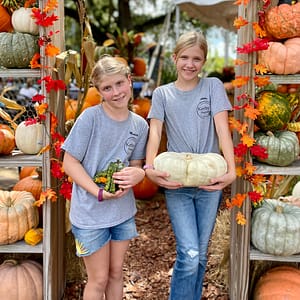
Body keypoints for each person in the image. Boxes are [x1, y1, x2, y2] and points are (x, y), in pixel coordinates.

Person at [144, 31, 236, 300]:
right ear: (175, 58)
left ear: (204, 61)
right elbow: (155, 134)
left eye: (196, 58)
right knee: (189, 253)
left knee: (201, 254)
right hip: (178, 183)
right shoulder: (162, 94)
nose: (189, 64)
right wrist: (150, 169)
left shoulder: (213, 87)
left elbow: (222, 131)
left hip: (209, 182)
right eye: (184, 57)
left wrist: (230, 172)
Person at [62, 56, 149, 300]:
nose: (116, 92)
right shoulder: (90, 119)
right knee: (98, 279)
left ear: (130, 81)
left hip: (121, 212)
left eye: (119, 83)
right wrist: (97, 191)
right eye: (107, 88)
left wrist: (137, 174)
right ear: (99, 91)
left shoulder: (140, 125)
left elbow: (136, 164)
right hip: (90, 214)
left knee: (115, 274)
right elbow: (69, 162)